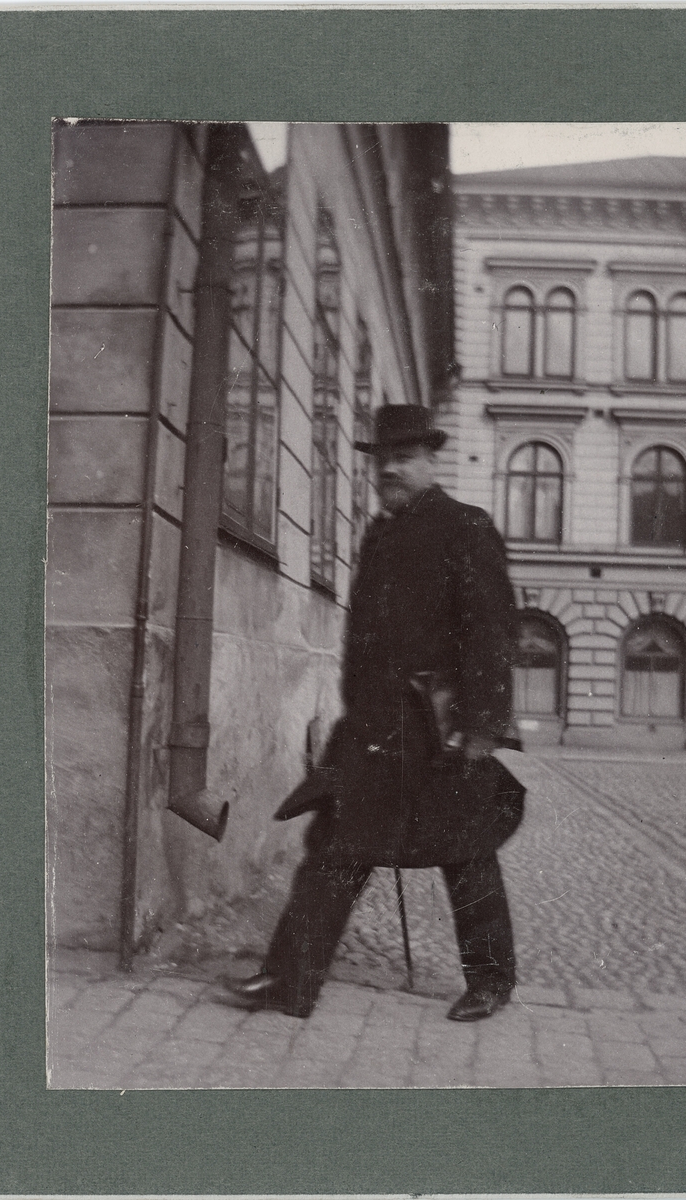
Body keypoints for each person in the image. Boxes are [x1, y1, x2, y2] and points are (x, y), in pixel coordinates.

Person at [226, 405, 523, 1022]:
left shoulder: (465, 527)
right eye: (383, 460)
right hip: (372, 728)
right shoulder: (379, 536)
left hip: (441, 729)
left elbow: (492, 633)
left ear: (431, 461)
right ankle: (288, 981)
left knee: (466, 853)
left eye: (404, 458)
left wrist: (481, 728)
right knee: (335, 847)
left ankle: (492, 983)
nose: (390, 470)